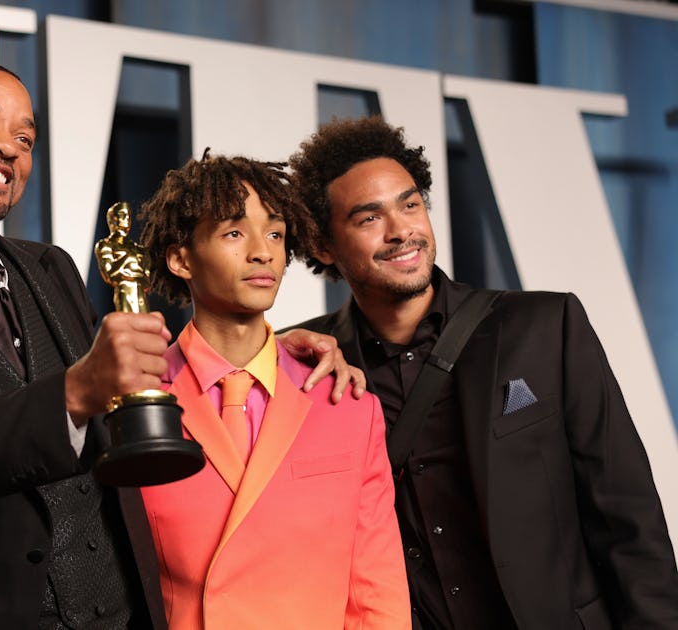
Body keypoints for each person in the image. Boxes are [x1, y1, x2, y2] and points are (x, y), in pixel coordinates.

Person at [0, 60, 362, 630]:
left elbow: (128, 395)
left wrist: (268, 352)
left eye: (24, 137)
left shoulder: (50, 268)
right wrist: (74, 392)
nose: (8, 147)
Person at [286, 115, 678, 629]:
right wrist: (266, 356)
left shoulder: (545, 325)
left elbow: (627, 515)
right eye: (368, 218)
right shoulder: (303, 365)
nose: (402, 230)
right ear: (322, 245)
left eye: (410, 203)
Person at [134, 150, 408, 629]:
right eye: (234, 232)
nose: (263, 251)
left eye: (276, 233)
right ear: (181, 258)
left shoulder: (344, 401)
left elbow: (375, 589)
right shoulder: (136, 400)